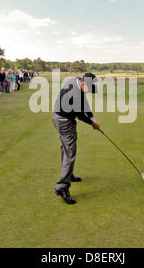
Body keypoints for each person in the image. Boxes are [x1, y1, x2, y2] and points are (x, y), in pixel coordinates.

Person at [52, 72, 101, 204]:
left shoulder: (75, 80)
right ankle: (62, 187)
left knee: (66, 149)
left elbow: (85, 103)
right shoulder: (76, 93)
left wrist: (92, 117)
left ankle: (69, 174)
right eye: (89, 88)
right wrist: (93, 124)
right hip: (64, 121)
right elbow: (80, 115)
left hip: (58, 117)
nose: (89, 92)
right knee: (70, 152)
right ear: (84, 83)